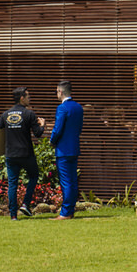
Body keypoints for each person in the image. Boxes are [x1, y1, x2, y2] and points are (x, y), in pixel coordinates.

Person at [0, 86, 45, 220]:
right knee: (34, 176)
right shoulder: (29, 114)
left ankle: (13, 216)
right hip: (26, 154)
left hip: (11, 155)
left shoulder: (5, 114)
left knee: (12, 184)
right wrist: (42, 124)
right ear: (22, 98)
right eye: (28, 96)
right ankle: (25, 204)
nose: (30, 99)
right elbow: (38, 134)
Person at [50, 80, 83, 220]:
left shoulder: (62, 108)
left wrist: (52, 140)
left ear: (61, 92)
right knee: (73, 181)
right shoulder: (78, 107)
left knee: (66, 181)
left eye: (57, 91)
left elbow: (57, 129)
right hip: (74, 147)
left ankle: (65, 212)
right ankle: (70, 209)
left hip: (63, 149)